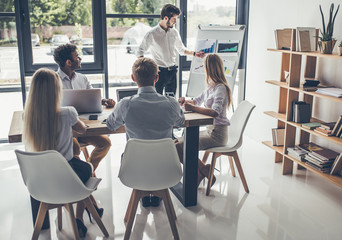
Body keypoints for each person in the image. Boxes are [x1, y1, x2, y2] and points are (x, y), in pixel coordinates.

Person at [106, 57, 212, 207]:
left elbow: (110, 125)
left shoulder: (125, 104)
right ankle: (157, 190)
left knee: (135, 154)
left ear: (133, 78)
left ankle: (144, 189)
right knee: (167, 147)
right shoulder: (171, 103)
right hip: (166, 166)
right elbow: (181, 123)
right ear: (157, 77)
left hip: (134, 167)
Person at [23, 68, 103, 238]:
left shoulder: (28, 116)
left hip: (39, 180)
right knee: (86, 167)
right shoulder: (68, 113)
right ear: (56, 89)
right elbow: (82, 130)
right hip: (67, 179)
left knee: (75, 157)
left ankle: (49, 224)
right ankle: (79, 217)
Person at [54, 43, 113, 171]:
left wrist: (104, 101)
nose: (80, 59)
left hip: (84, 126)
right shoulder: (54, 80)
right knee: (74, 148)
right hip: (67, 129)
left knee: (105, 143)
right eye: (77, 56)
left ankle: (89, 169)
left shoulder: (82, 78)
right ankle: (78, 175)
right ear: (69, 62)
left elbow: (92, 96)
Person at [177, 53, 233, 186]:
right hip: (210, 131)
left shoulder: (221, 88)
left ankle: (204, 170)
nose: (203, 69)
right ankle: (204, 170)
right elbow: (196, 101)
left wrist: (193, 108)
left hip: (217, 134)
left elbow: (214, 112)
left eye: (204, 66)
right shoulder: (211, 87)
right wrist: (186, 101)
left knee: (179, 147)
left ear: (210, 68)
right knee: (174, 144)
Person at [137, 3, 204, 96]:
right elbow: (140, 51)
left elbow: (181, 50)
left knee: (171, 100)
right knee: (157, 101)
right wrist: (149, 68)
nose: (175, 22)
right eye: (174, 19)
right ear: (165, 18)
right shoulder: (152, 34)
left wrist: (194, 53)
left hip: (172, 71)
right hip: (159, 73)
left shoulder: (174, 32)